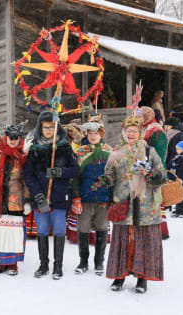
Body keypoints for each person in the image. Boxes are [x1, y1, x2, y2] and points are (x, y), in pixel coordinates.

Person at [100, 115, 165, 294]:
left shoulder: (149, 151)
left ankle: (142, 278)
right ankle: (119, 277)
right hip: (123, 203)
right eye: (128, 131)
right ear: (124, 132)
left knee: (142, 241)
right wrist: (105, 180)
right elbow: (110, 174)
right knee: (122, 241)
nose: (131, 134)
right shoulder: (116, 152)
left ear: (141, 133)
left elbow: (162, 176)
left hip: (145, 205)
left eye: (135, 131)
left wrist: (149, 173)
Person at [24, 111, 80, 280]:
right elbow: (28, 175)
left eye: (51, 127)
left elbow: (75, 170)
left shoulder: (63, 147)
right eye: (45, 127)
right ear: (40, 128)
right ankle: (43, 265)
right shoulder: (35, 149)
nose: (48, 130)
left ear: (57, 128)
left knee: (58, 230)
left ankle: (58, 266)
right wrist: (38, 196)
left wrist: (59, 171)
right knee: (41, 230)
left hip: (60, 196)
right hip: (40, 197)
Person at [0, 123, 30, 276]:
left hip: (16, 199)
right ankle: (2, 262)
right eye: (10, 137)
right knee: (0, 231)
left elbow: (28, 179)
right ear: (6, 137)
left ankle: (13, 263)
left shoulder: (24, 155)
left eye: (15, 138)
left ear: (20, 139)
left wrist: (28, 200)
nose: (12, 140)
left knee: (14, 233)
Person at [74, 116, 112, 276]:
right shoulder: (80, 153)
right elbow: (74, 177)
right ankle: (83, 262)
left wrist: (110, 183)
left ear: (101, 134)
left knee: (102, 228)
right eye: (90, 133)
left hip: (104, 199)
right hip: (85, 197)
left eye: (96, 132)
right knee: (82, 229)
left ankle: (99, 262)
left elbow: (114, 174)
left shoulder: (110, 152)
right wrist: (76, 196)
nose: (93, 136)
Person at [141, 106, 169, 240]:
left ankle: (161, 230)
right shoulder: (144, 129)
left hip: (155, 170)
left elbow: (160, 154)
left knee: (157, 200)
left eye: (141, 116)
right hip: (143, 169)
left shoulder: (157, 131)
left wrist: (153, 169)